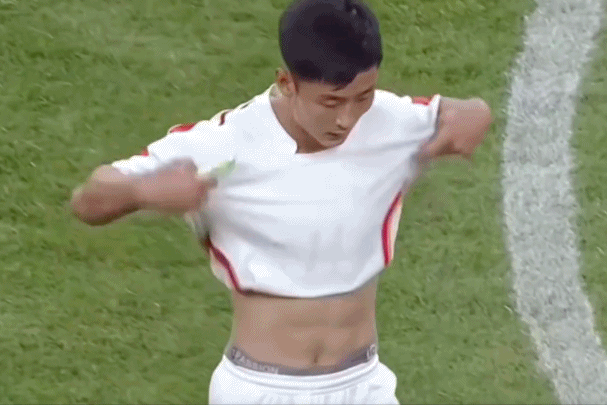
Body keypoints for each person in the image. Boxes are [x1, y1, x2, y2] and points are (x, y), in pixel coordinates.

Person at [70, 0, 492, 403]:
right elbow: (88, 202)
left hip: (364, 384)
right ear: (287, 83)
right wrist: (144, 191)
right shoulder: (223, 145)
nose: (347, 118)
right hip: (261, 389)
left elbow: (466, 112)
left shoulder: (389, 120)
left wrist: (474, 115)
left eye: (362, 97)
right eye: (330, 102)